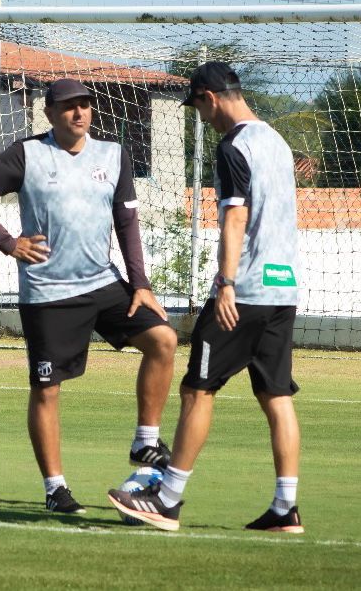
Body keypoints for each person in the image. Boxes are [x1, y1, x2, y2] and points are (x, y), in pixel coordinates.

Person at [0, 78, 178, 514]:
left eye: (84, 105)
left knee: (164, 341)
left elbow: (127, 222)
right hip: (48, 293)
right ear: (49, 114)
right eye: (67, 107)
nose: (78, 113)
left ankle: (145, 442)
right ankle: (55, 489)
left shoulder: (113, 155)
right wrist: (9, 242)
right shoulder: (28, 155)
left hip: (102, 283)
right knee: (47, 389)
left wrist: (140, 283)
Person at [108, 62, 304, 533]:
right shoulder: (276, 140)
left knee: (198, 389)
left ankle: (168, 499)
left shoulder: (233, 145)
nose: (201, 116)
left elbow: (235, 219)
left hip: (247, 291)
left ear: (210, 97)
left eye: (197, 106)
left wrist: (227, 283)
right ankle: (285, 507)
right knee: (276, 396)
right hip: (284, 288)